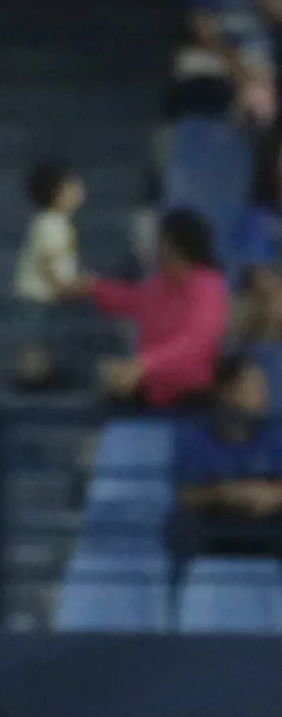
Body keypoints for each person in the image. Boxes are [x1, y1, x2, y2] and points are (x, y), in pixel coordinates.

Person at [79, 209, 228, 409]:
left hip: (189, 398)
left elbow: (195, 340)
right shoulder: (161, 282)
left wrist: (144, 364)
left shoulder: (209, 287)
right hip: (150, 390)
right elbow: (133, 300)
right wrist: (94, 287)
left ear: (174, 246)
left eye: (161, 240)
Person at [167, 354, 282, 563]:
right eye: (252, 387)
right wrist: (225, 494)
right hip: (215, 528)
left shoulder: (275, 433)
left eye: (263, 387)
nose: (263, 395)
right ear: (226, 392)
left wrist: (272, 495)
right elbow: (186, 496)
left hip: (270, 526)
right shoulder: (195, 436)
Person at [12, 161, 86, 392]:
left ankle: (41, 373)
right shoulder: (50, 224)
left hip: (47, 294)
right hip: (38, 294)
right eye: (73, 186)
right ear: (57, 193)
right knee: (35, 338)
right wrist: (64, 285)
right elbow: (50, 259)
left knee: (43, 337)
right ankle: (30, 376)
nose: (79, 190)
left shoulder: (58, 223)